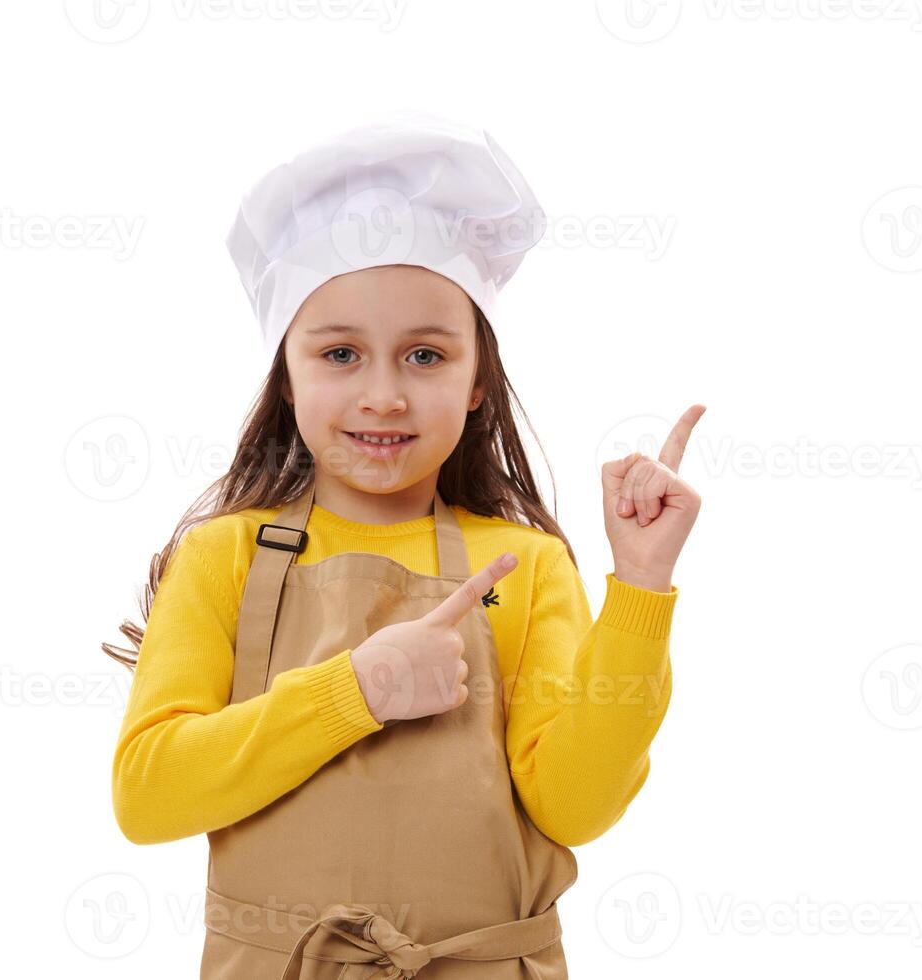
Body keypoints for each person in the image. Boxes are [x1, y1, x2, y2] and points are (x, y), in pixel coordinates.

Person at [104, 110, 706, 978]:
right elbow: (149, 794)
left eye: (424, 356)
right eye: (341, 353)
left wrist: (641, 585)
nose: (383, 395)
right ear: (289, 374)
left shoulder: (528, 564)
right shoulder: (225, 557)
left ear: (474, 382)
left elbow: (573, 806)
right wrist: (358, 689)